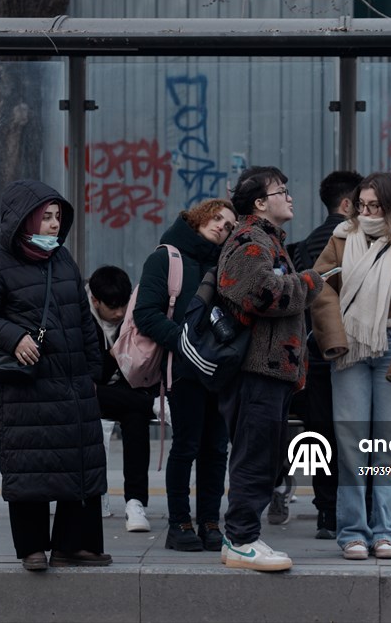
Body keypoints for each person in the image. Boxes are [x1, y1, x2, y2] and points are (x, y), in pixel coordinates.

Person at [0, 180, 110, 571]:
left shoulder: (63, 260)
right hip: (24, 387)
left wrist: (92, 372)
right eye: (45, 217)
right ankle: (32, 548)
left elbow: (83, 319)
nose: (54, 225)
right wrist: (14, 338)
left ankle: (73, 545)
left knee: (79, 463)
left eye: (58, 217)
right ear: (23, 220)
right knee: (30, 465)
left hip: (72, 383)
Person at [311, 172, 391, 560]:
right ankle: (351, 532)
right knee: (350, 445)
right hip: (348, 346)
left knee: (387, 445)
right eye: (361, 205)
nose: (365, 213)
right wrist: (333, 339)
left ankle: (383, 533)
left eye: (374, 206)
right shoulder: (341, 239)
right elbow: (320, 288)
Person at [215, 166, 322, 571]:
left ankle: (241, 538)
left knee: (265, 455)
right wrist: (310, 283)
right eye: (282, 190)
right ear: (260, 203)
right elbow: (262, 295)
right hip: (255, 371)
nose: (290, 197)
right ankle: (242, 540)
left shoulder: (267, 241)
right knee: (255, 457)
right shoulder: (250, 241)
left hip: (272, 371)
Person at [133, 198, 237, 552]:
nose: (221, 226)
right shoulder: (166, 258)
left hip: (219, 371)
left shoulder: (226, 264)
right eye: (217, 218)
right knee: (187, 445)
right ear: (199, 217)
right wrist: (183, 342)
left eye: (228, 226)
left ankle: (210, 522)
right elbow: (146, 314)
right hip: (184, 369)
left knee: (216, 448)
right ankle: (179, 522)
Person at [274, 170, 361, 538]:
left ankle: (327, 512)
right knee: (356, 436)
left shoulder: (304, 246)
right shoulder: (358, 243)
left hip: (313, 356)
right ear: (347, 205)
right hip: (354, 355)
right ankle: (356, 511)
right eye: (364, 204)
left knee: (321, 433)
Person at [86, 265, 156, 530]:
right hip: (90, 391)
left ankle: (135, 502)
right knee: (136, 405)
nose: (118, 313)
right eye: (111, 306)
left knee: (135, 415)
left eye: (122, 305)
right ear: (95, 300)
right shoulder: (82, 317)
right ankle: (155, 406)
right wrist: (113, 356)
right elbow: (88, 374)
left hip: (126, 394)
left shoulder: (134, 315)